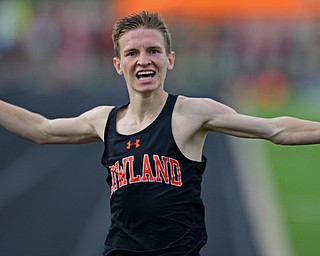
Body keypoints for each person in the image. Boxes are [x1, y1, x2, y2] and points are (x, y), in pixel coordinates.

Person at [1, 10, 320, 256]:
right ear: (117, 64)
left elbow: (275, 129)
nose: (143, 60)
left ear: (169, 59)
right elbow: (39, 129)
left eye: (153, 50)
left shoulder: (193, 113)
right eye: (132, 53)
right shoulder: (103, 121)